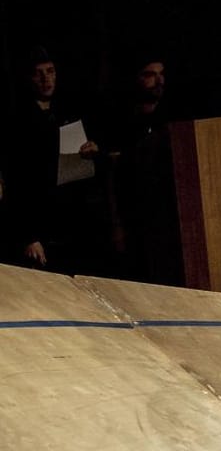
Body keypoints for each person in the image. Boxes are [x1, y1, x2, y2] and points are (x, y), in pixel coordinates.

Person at [1, 45, 113, 276]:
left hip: (75, 219)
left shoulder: (68, 110)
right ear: (29, 77)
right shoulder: (18, 120)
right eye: (39, 73)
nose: (45, 78)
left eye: (50, 71)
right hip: (41, 222)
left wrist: (95, 151)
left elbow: (96, 164)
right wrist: (29, 236)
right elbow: (17, 182)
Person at [105, 52, 186, 285]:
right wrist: (117, 225)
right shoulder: (123, 120)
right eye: (151, 75)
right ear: (137, 79)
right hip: (136, 218)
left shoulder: (173, 116)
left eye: (162, 74)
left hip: (172, 217)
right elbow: (114, 174)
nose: (159, 81)